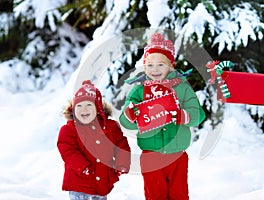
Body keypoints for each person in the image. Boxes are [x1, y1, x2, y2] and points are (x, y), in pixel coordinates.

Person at [119, 33, 206, 200]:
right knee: (155, 194)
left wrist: (184, 116)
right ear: (144, 67)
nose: (155, 69)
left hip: (177, 155)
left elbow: (198, 114)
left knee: (179, 194)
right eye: (150, 65)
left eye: (160, 64)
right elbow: (125, 122)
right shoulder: (139, 91)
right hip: (151, 155)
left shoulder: (182, 89)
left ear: (171, 66)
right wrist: (130, 115)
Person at [57, 80, 131, 200]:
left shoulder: (110, 127)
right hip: (79, 183)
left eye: (89, 105)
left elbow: (121, 145)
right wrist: (82, 166)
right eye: (79, 106)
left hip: (101, 183)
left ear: (98, 108)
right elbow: (67, 150)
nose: (83, 109)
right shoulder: (69, 129)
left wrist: (121, 164)